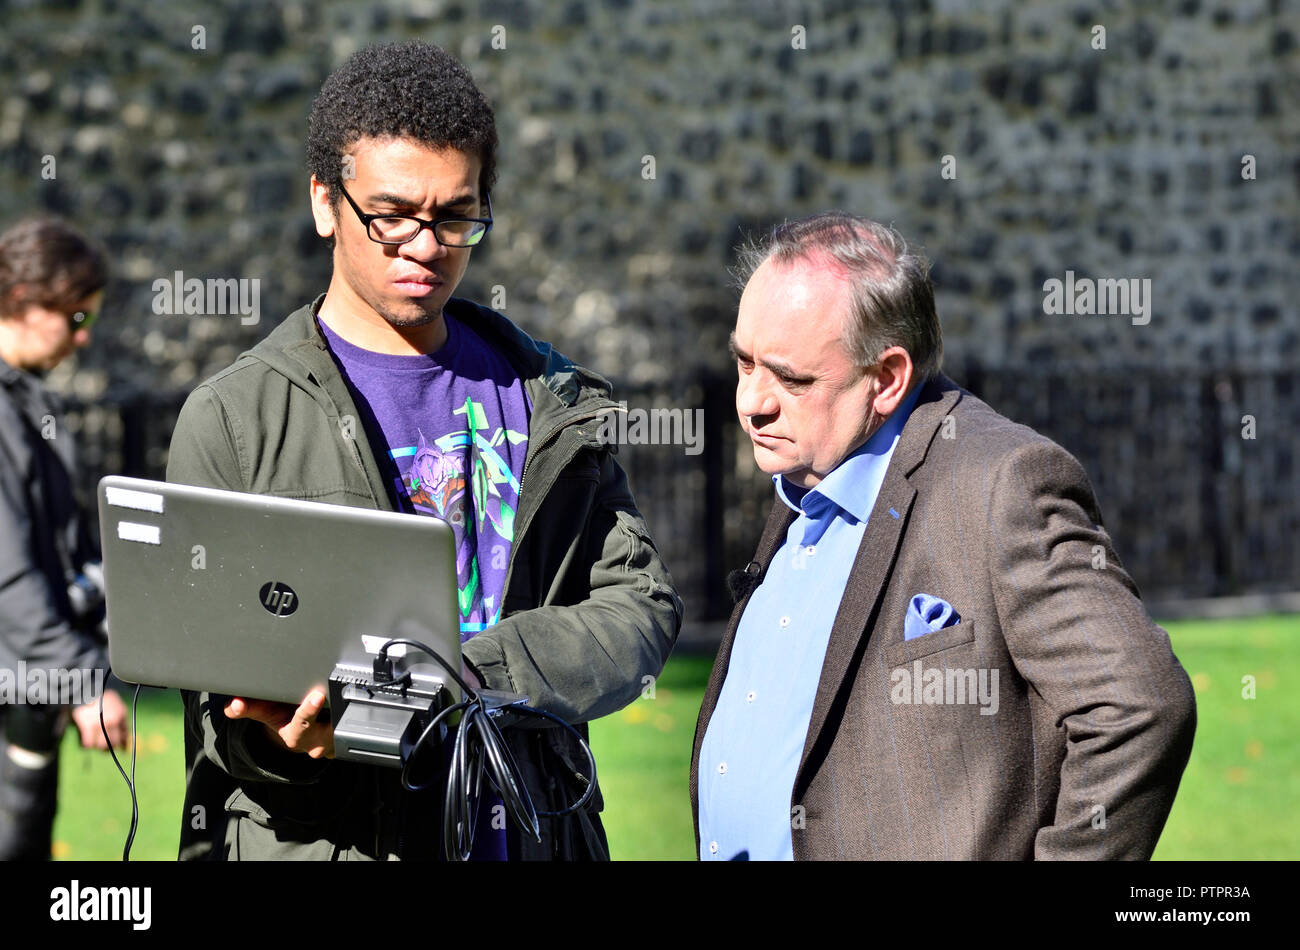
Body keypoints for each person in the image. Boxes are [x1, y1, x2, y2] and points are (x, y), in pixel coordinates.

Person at [166, 40, 682, 860]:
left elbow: (639, 610)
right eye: (392, 215)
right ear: (325, 203)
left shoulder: (549, 397)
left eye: (454, 215)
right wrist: (291, 744)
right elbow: (215, 714)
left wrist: (468, 677)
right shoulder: (234, 419)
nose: (426, 244)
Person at [692, 212, 1196, 860]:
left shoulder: (1001, 483)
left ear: (887, 379)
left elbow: (1140, 706)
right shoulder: (808, 469)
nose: (751, 403)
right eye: (743, 362)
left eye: (790, 378)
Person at [0, 217, 129, 860]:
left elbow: (62, 558)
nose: (83, 338)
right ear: (26, 299)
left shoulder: (24, 403)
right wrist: (80, 679)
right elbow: (9, 576)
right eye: (75, 318)